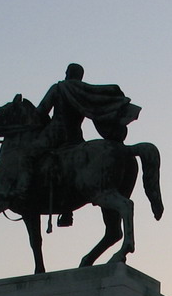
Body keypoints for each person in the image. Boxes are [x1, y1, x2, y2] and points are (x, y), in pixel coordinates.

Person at [34, 63, 142, 226]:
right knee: (73, 170)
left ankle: (22, 190)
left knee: (33, 157)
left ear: (67, 73)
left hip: (55, 135)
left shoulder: (59, 87)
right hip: (75, 137)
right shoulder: (84, 91)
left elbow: (41, 111)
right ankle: (66, 212)